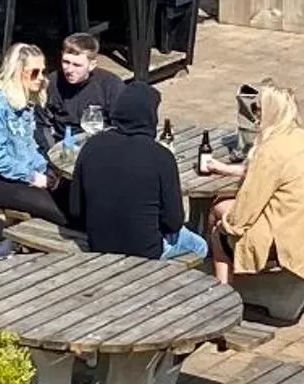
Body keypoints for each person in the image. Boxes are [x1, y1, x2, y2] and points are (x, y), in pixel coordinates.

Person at [207, 81, 304, 288]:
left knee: (218, 224)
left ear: (270, 112)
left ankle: (222, 290)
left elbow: (248, 206)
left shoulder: (271, 151)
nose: (254, 115)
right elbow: (276, 176)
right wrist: (229, 170)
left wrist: (225, 228)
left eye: (257, 109)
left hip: (284, 241)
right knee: (221, 210)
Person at [68, 78, 205, 261]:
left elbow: (76, 210)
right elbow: (173, 222)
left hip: (99, 243)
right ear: (150, 116)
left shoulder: (92, 145)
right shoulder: (161, 157)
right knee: (200, 245)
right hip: (146, 250)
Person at [0, 43, 67, 227]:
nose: (41, 78)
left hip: (23, 175)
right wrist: (33, 177)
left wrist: (46, 170)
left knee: (71, 199)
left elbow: (28, 147)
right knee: (62, 214)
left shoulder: (25, 101)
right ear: (19, 72)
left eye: (42, 71)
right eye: (35, 72)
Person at [40, 29, 122, 155]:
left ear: (92, 65)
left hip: (102, 147)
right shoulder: (52, 83)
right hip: (64, 146)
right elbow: (40, 123)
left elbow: (122, 124)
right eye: (66, 62)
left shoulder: (110, 85)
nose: (69, 70)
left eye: (77, 65)